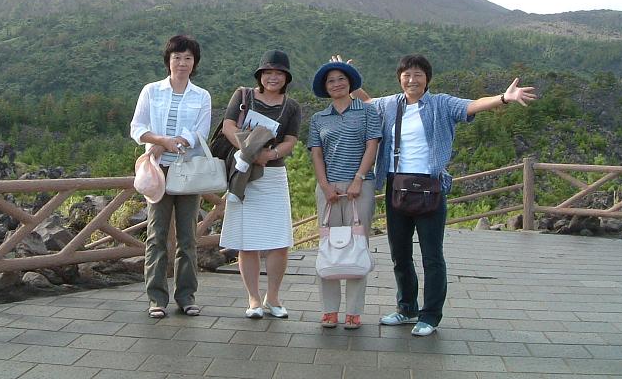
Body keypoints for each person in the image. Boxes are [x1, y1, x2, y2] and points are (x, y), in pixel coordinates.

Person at [343, 53, 536, 336]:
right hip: (396, 184)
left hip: (429, 185)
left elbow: (471, 105)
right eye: (407, 75)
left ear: (427, 79)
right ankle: (406, 308)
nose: (412, 80)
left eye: (418, 74)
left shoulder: (441, 104)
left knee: (432, 255)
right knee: (400, 253)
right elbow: (367, 102)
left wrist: (504, 98)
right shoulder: (390, 105)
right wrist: (350, 78)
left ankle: (430, 316)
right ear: (400, 79)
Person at [130, 35, 212, 318]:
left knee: (188, 237)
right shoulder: (152, 91)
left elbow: (200, 132)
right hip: (158, 170)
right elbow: (137, 127)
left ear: (195, 63)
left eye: (188, 58)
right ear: (168, 60)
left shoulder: (202, 96)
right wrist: (161, 141)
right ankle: (156, 298)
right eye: (177, 57)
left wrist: (172, 142)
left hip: (188, 169)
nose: (182, 63)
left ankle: (186, 296)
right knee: (157, 235)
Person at [219, 50, 301, 319]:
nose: (273, 77)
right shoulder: (243, 95)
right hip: (243, 174)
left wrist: (272, 154)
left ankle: (273, 297)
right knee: (247, 241)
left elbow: (291, 140)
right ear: (260, 75)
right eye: (268, 72)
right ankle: (254, 298)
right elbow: (228, 126)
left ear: (286, 77)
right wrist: (251, 151)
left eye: (278, 73)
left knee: (279, 241)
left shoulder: (292, 106)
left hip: (273, 175)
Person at [308, 61, 382, 330]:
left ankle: (354, 311)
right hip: (328, 189)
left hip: (360, 187)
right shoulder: (318, 118)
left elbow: (371, 146)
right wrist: (325, 186)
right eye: (331, 81)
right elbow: (317, 154)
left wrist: (358, 179)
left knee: (357, 245)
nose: (337, 84)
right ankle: (329, 310)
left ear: (350, 82)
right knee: (328, 245)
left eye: (341, 78)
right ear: (325, 88)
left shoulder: (368, 111)